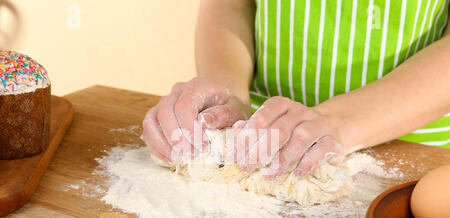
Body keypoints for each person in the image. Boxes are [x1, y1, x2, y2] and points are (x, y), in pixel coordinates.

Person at [143, 0, 450, 180]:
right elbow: (231, 5)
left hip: (412, 149)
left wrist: (341, 121)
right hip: (259, 132)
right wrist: (228, 96)